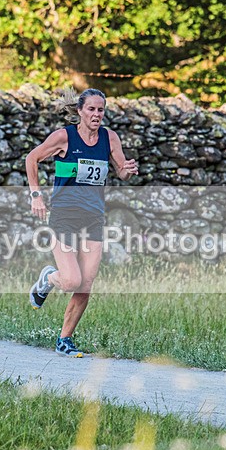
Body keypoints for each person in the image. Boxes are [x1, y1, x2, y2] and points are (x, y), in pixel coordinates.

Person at [25, 88, 139, 357]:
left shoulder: (110, 138)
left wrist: (128, 170)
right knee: (71, 279)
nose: (97, 115)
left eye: (101, 110)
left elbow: (121, 171)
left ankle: (64, 339)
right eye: (91, 109)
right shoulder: (65, 136)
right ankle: (48, 279)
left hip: (93, 216)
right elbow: (32, 158)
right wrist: (35, 195)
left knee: (85, 283)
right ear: (80, 111)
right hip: (64, 215)